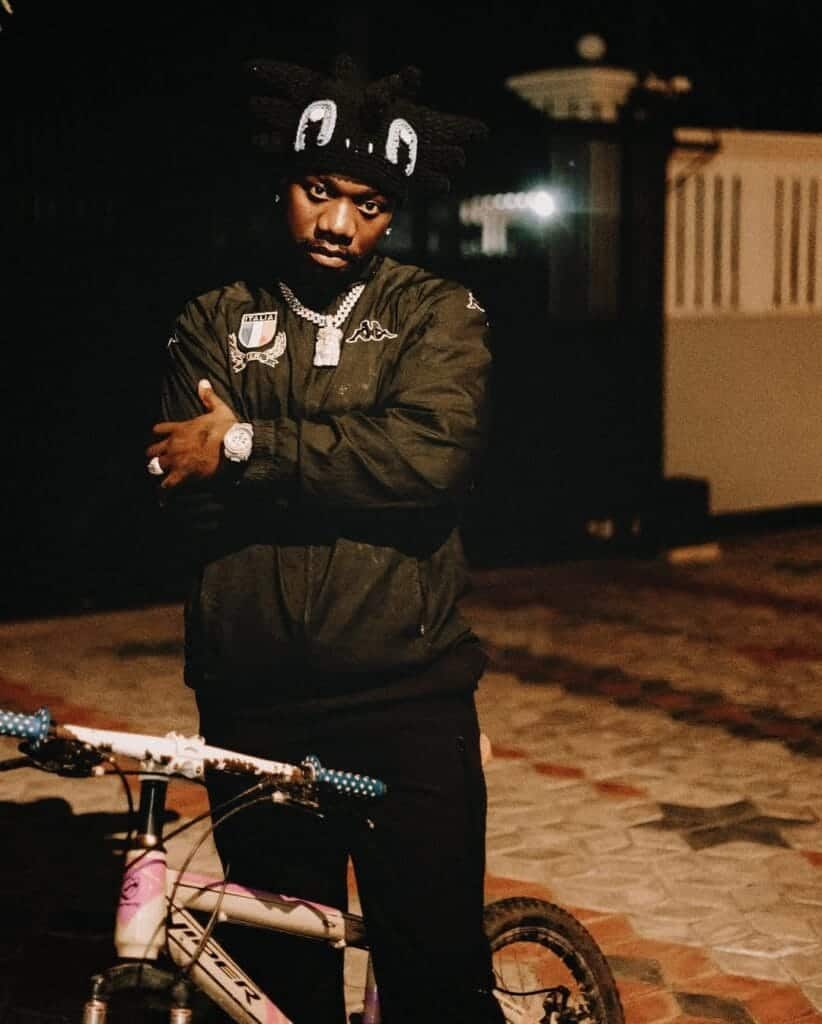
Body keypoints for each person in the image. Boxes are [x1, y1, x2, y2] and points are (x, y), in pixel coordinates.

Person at [145, 53, 502, 1024]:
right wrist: (350, 467)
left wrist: (247, 446)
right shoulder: (211, 319)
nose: (339, 223)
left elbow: (428, 464)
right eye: (319, 191)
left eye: (369, 204)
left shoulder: (437, 313)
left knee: (434, 976)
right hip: (251, 698)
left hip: (405, 698)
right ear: (284, 185)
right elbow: (183, 494)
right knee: (276, 983)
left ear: (393, 214)